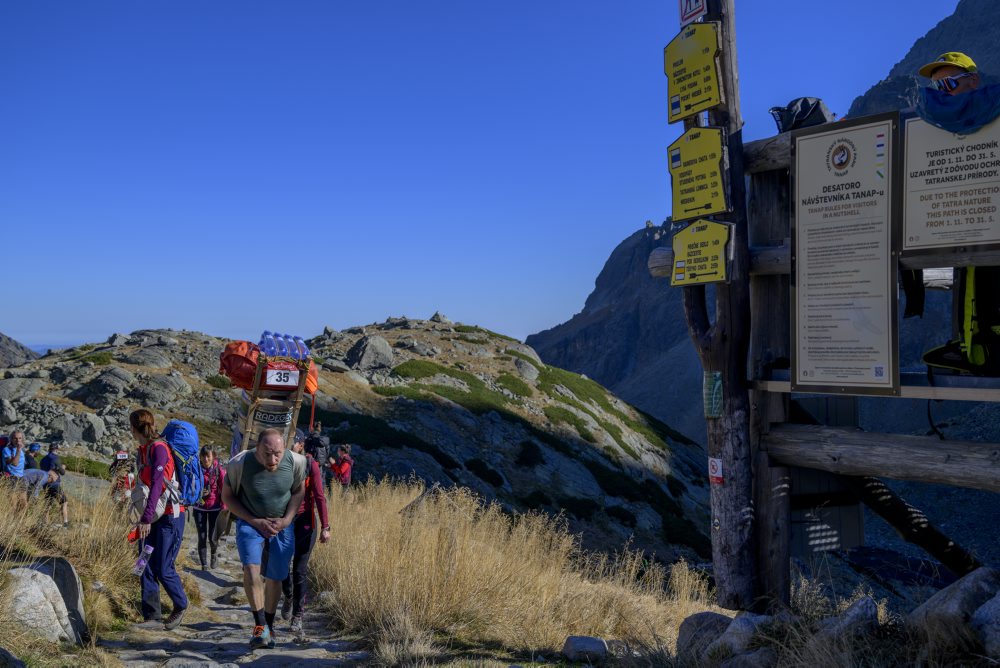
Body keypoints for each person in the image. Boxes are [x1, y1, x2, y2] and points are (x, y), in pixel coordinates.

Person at [221, 428, 306, 649]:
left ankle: (269, 624)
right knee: (251, 569)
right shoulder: (239, 463)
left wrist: (287, 520)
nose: (272, 458)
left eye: (277, 453)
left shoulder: (296, 462)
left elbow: (298, 491)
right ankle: (259, 627)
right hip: (250, 522)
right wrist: (253, 520)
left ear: (284, 448)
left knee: (276, 577)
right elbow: (227, 497)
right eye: (267, 453)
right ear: (257, 448)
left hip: (281, 526)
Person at [130, 409, 188, 631]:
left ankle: (181, 604)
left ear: (134, 428)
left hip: (169, 516)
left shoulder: (159, 449)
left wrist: (145, 519)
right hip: (153, 515)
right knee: (143, 562)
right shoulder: (143, 450)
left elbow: (157, 485)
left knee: (163, 567)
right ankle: (151, 616)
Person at [278, 429, 330, 635]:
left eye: (292, 442)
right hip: (284, 522)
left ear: (300, 444)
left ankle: (297, 616)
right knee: (282, 566)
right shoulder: (279, 463)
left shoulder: (311, 465)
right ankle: (289, 595)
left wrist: (326, 527)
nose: (289, 446)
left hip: (305, 522)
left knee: (299, 570)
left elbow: (319, 496)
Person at [192, 445, 225, 570]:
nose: (206, 459)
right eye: (203, 456)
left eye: (208, 456)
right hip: (199, 507)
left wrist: (224, 506)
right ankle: (204, 564)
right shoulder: (196, 469)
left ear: (213, 457)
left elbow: (224, 488)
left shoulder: (219, 470)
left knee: (212, 536)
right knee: (201, 536)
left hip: (215, 508)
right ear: (200, 457)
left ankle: (213, 554)